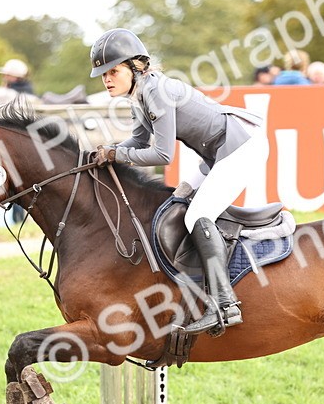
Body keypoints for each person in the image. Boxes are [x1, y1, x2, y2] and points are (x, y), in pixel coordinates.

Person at [88, 28, 267, 335]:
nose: (107, 79)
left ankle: (225, 304)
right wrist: (108, 150)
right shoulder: (139, 93)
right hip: (217, 152)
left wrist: (116, 154)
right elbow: (138, 141)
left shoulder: (155, 92)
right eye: (103, 74)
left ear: (135, 67)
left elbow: (162, 154)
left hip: (241, 147)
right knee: (177, 203)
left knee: (198, 214)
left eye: (113, 71)